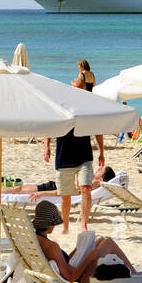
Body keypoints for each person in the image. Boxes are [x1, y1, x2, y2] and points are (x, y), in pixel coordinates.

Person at [42, 77, 105, 234]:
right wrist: (47, 147)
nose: (78, 92)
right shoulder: (60, 106)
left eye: (81, 89)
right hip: (64, 156)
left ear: (84, 90)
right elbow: (50, 126)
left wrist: (102, 152)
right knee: (65, 195)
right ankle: (65, 226)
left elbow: (98, 131)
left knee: (85, 188)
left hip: (84, 156)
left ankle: (83, 224)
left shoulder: (88, 108)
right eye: (75, 89)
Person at [30, 200, 135, 283]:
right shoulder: (51, 246)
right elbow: (71, 278)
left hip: (74, 270)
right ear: (48, 224)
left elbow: (61, 263)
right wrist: (88, 258)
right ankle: (135, 276)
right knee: (108, 242)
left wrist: (76, 252)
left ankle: (135, 274)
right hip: (81, 278)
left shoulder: (37, 239)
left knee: (100, 241)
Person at [0, 166, 117, 201]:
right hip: (54, 184)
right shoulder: (90, 182)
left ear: (101, 178)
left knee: (17, 189)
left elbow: (66, 192)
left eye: (100, 170)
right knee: (18, 188)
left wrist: (42, 193)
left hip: (53, 189)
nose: (97, 169)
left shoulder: (88, 186)